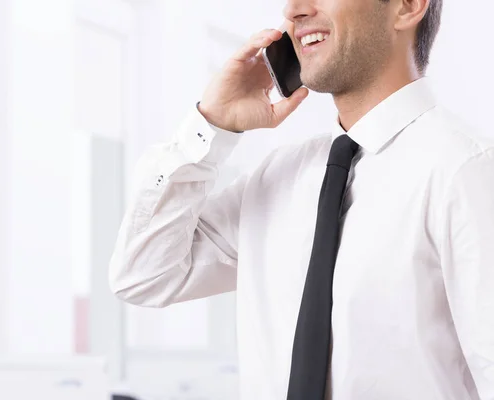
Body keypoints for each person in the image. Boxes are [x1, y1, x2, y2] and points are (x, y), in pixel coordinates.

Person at [109, 0, 494, 398]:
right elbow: (143, 276)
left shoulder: (468, 173)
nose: (293, 10)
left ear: (407, 7)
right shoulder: (278, 179)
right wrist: (211, 126)